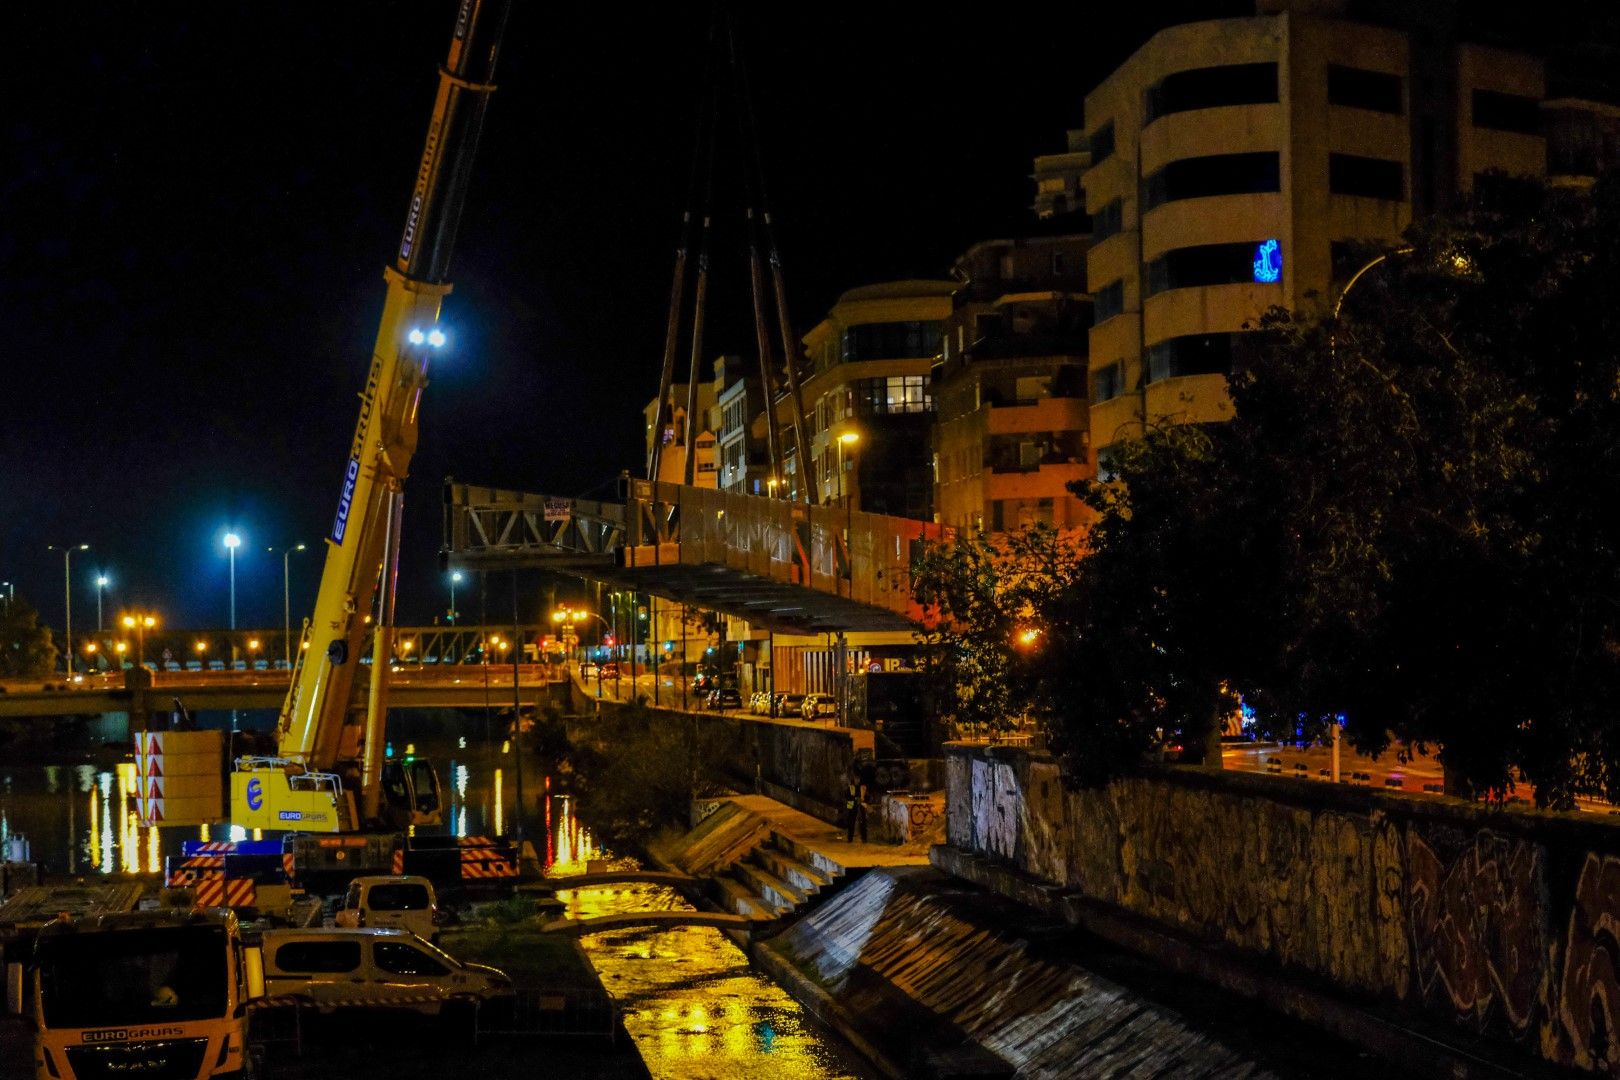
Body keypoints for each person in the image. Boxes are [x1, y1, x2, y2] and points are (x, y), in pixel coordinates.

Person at [844, 766, 868, 843]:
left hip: (860, 806)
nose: (857, 780)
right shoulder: (851, 787)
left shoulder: (862, 787)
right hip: (852, 807)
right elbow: (848, 797)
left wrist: (862, 801)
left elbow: (865, 797)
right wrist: (855, 799)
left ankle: (864, 839)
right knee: (851, 822)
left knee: (863, 822)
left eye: (858, 778)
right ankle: (850, 838)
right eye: (856, 778)